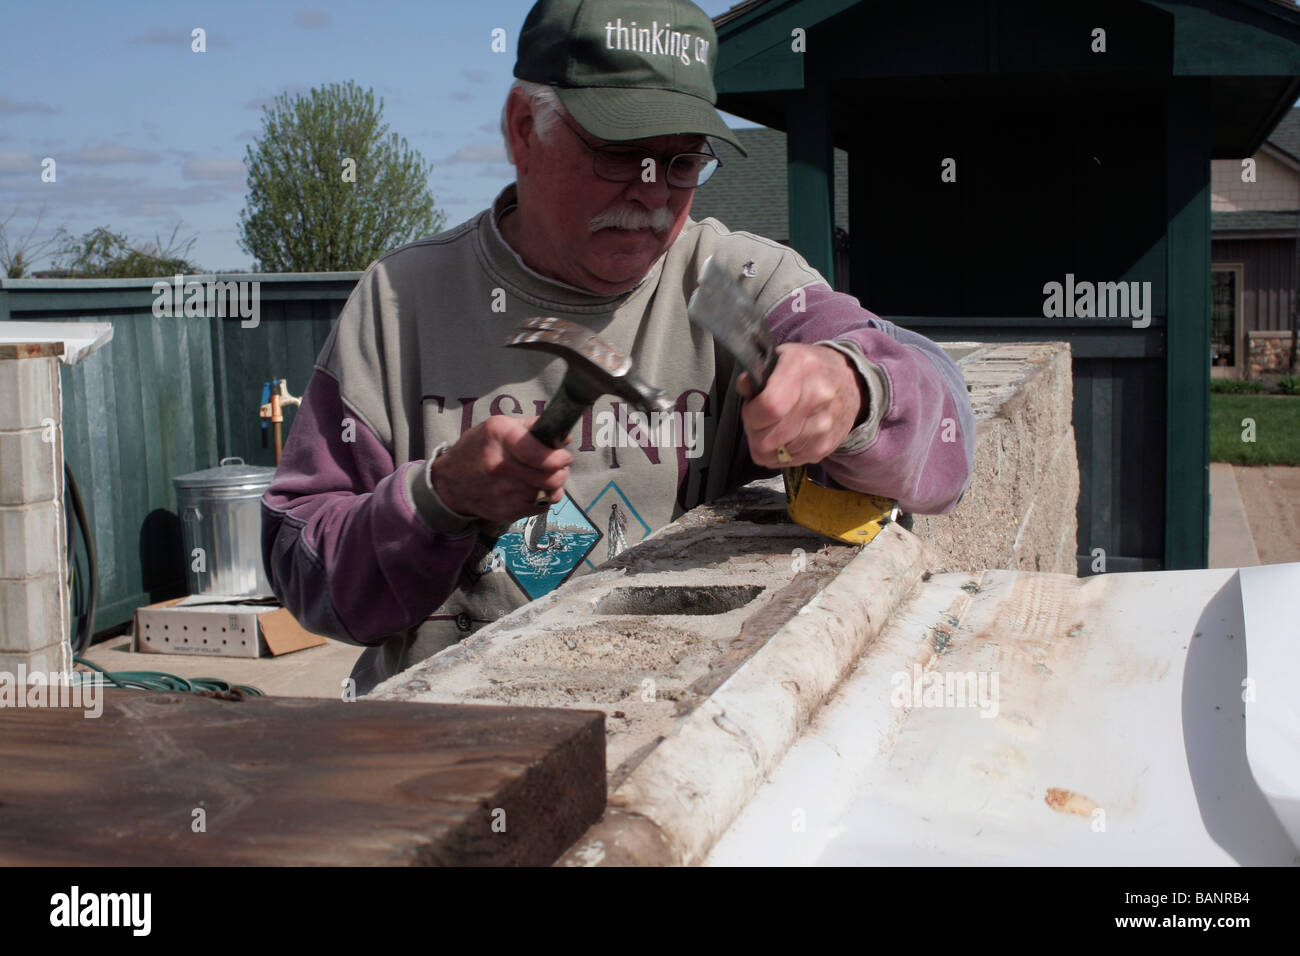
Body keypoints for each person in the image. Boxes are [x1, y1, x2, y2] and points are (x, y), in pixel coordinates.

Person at [261, 0, 976, 696]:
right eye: (618, 155)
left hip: (680, 736)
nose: (652, 195)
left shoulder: (733, 283)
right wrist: (437, 499)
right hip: (452, 752)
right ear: (522, 130)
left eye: (682, 162)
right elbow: (306, 579)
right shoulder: (401, 304)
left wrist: (853, 388)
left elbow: (946, 444)